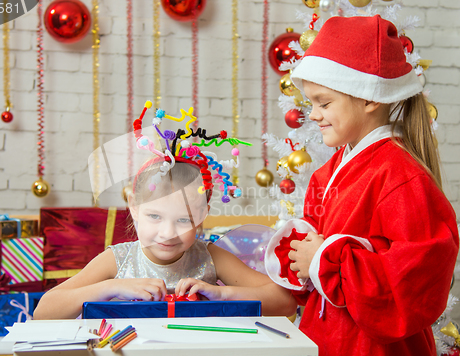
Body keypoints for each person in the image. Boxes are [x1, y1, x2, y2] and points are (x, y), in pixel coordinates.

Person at [264, 15, 459, 356]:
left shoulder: (401, 177)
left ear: (369, 98)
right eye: (311, 105)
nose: (315, 116)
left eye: (324, 103)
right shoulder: (328, 174)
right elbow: (314, 267)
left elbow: (415, 286)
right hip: (327, 349)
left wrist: (323, 260)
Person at [34, 108, 297, 320]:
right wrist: (111, 287)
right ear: (134, 207)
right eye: (155, 217)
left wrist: (223, 293)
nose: (168, 233)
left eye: (183, 220)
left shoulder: (209, 256)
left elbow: (285, 303)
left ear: (202, 215)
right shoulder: (118, 260)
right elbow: (44, 312)